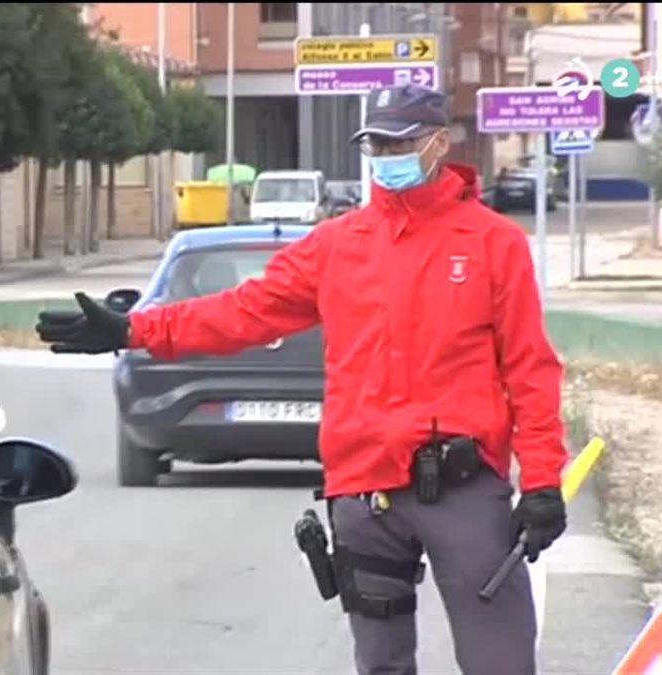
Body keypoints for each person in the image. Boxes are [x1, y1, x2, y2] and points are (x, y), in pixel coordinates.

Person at [35, 84, 568, 675]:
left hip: (464, 490)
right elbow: (241, 312)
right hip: (365, 493)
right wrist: (133, 330)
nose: (386, 153)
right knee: (380, 664)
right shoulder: (336, 246)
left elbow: (529, 367)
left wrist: (543, 481)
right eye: (376, 142)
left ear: (439, 144)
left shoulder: (494, 243)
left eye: (401, 141)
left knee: (501, 663)